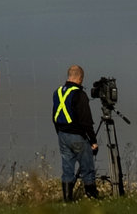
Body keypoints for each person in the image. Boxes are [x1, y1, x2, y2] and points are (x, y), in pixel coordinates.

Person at [53, 65, 98, 201]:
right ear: (80, 78)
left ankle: (67, 200)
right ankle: (91, 197)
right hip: (77, 136)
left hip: (62, 135)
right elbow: (86, 120)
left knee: (67, 169)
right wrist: (93, 141)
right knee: (87, 167)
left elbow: (54, 115)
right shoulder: (79, 94)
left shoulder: (58, 92)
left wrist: (60, 133)